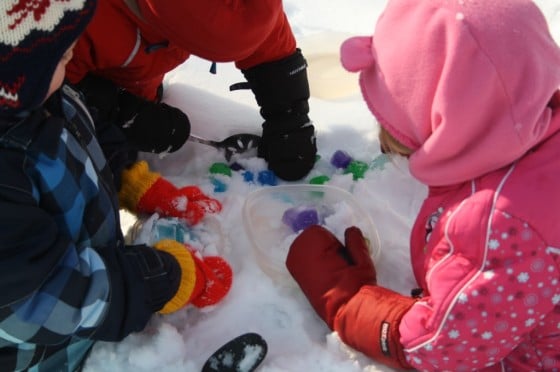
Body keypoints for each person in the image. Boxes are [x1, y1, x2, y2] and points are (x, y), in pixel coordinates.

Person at [286, 0, 560, 370]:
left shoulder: (500, 228)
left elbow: (440, 348)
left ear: (451, 118)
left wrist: (349, 302)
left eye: (398, 119)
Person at [0, 1, 231, 370]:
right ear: (14, 78)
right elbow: (50, 297)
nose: (73, 57)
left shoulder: (41, 99)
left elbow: (84, 132)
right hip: (52, 355)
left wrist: (133, 181)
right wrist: (164, 278)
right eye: (61, 57)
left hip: (102, 298)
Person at [65, 0, 317, 181]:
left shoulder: (248, 9)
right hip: (79, 86)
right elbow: (46, 91)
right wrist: (121, 112)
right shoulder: (77, 18)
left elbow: (270, 46)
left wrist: (290, 115)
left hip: (139, 67)